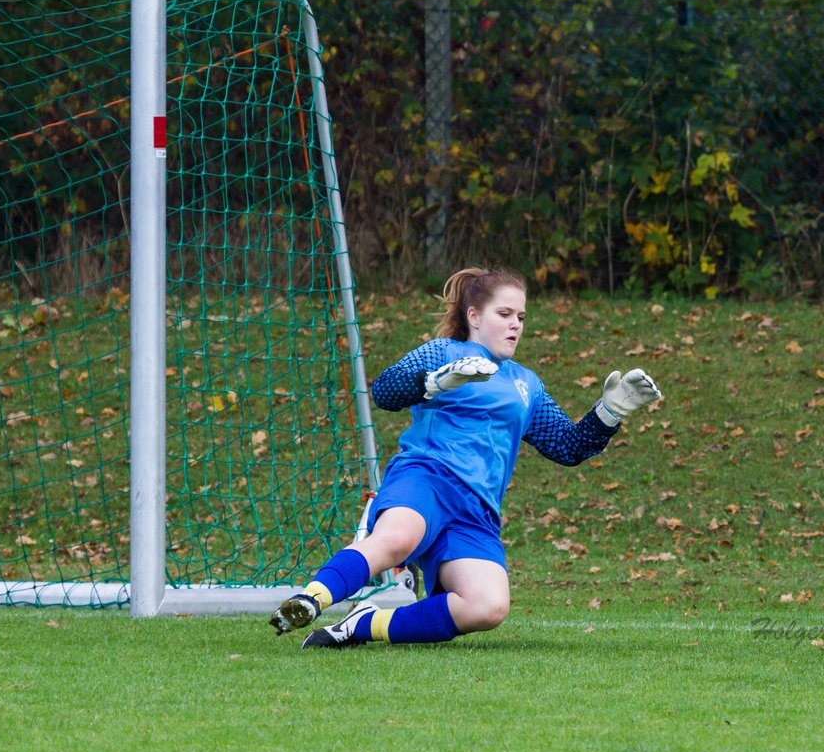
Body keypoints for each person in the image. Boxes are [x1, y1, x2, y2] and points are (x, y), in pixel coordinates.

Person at [269, 266, 662, 648]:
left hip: (476, 509)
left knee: (488, 607)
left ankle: (363, 624)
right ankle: (312, 599)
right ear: (474, 316)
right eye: (504, 314)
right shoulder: (444, 351)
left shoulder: (526, 383)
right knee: (397, 538)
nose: (516, 325)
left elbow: (568, 446)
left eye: (521, 317)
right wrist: (437, 381)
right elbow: (385, 392)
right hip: (426, 478)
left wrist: (609, 413)